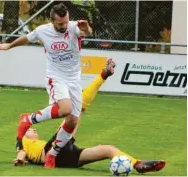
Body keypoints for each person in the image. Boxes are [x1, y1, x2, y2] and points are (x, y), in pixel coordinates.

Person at [13, 61, 166, 174]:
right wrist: (19, 158)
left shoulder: (31, 141)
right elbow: (21, 153)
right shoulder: (24, 142)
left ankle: (137, 164)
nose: (33, 130)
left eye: (32, 128)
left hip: (67, 158)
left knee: (108, 149)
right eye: (30, 129)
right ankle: (102, 77)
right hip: (52, 151)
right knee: (77, 109)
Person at [0, 3, 93, 168]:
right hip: (56, 77)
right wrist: (9, 46)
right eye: (60, 24)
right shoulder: (43, 31)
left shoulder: (73, 27)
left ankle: (52, 154)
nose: (64, 26)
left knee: (72, 121)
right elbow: (27, 38)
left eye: (66, 22)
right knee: (65, 108)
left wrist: (87, 28)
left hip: (74, 80)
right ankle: (29, 119)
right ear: (52, 21)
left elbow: (87, 32)